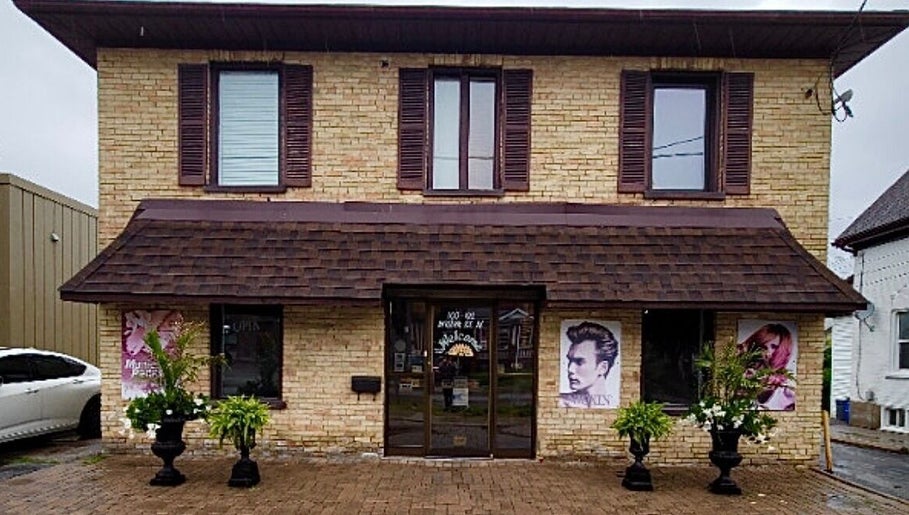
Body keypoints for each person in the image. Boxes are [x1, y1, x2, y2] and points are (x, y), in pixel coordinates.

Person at [559, 321, 619, 408]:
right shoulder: (562, 402)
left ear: (603, 368)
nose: (570, 369)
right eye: (570, 360)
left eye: (579, 362)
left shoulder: (616, 406)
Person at [739, 323, 796, 411]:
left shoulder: (785, 392)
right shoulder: (740, 373)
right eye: (763, 347)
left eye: (774, 347)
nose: (767, 351)